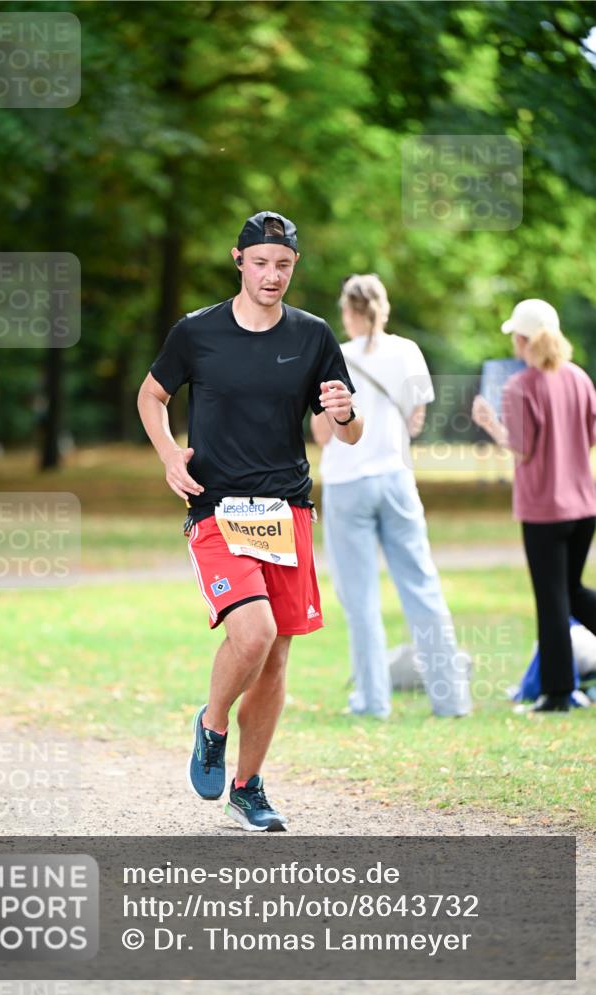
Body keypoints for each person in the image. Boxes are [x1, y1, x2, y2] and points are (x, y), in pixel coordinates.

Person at [137, 212, 361, 830]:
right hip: (216, 508)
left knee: (276, 659)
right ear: (239, 259)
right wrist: (167, 455)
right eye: (261, 263)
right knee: (254, 634)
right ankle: (211, 725)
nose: (273, 275)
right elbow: (151, 395)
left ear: (295, 266)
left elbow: (343, 431)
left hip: (287, 510)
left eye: (284, 265)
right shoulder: (197, 332)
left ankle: (248, 786)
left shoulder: (314, 336)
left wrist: (344, 414)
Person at [311, 274, 472, 720]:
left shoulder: (335, 357)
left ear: (348, 312)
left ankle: (372, 700)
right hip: (397, 479)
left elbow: (324, 433)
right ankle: (451, 698)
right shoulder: (407, 352)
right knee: (422, 586)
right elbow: (416, 420)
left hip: (348, 483)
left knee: (360, 597)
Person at [472, 298, 596, 712]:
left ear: (523, 340)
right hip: (583, 505)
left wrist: (490, 423)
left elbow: (522, 450)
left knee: (553, 598)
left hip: (544, 510)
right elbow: (590, 436)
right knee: (572, 591)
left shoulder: (519, 387)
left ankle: (558, 693)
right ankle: (559, 688)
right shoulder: (579, 378)